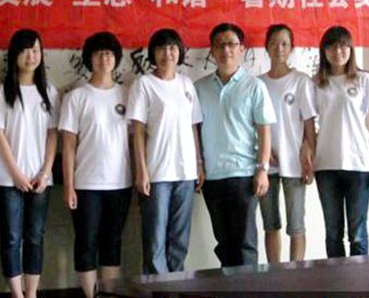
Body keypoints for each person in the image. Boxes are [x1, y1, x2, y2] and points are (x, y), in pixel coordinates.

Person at [194, 22, 277, 267]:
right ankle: (228, 286)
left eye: (231, 44)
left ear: (242, 49)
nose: (225, 50)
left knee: (245, 243)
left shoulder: (254, 86)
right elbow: (194, 131)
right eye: (220, 45)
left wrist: (262, 169)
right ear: (211, 50)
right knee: (224, 244)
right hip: (212, 176)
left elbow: (264, 130)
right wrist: (199, 165)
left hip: (244, 175)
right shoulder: (199, 87)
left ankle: (248, 287)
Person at [0, 29, 59, 298]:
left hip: (41, 179)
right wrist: (16, 174)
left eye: (36, 50)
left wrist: (46, 171)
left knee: (35, 236)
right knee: (11, 238)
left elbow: (53, 135)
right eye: (26, 50)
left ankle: (32, 292)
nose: (31, 56)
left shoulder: (49, 92)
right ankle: (17, 294)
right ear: (14, 54)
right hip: (8, 179)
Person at [59, 32, 132, 298]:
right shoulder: (76, 97)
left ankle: (109, 294)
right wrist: (69, 186)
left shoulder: (127, 94)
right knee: (86, 242)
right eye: (99, 53)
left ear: (117, 59)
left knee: (112, 243)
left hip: (120, 183)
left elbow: (135, 141)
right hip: (86, 183)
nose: (104, 59)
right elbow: (68, 146)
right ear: (89, 58)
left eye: (109, 54)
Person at [126, 28, 203, 274]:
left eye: (172, 48)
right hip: (157, 173)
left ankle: (177, 284)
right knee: (155, 237)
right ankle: (156, 287)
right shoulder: (143, 84)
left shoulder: (186, 84)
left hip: (185, 172)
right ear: (153, 53)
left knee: (180, 238)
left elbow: (193, 126)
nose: (167, 53)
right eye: (161, 48)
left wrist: (199, 164)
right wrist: (141, 171)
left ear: (179, 52)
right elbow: (138, 131)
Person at [313, 25, 369, 258]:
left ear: (351, 49)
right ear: (324, 51)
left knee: (358, 233)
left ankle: (359, 279)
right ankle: (336, 279)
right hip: (326, 166)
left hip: (359, 165)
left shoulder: (364, 80)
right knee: (333, 233)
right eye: (332, 46)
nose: (338, 51)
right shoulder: (316, 83)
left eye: (343, 46)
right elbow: (308, 125)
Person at [258, 24, 317, 263]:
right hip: (266, 164)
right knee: (270, 223)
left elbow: (310, 123)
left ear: (291, 48)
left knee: (296, 225)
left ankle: (296, 276)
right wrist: (262, 153)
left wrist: (310, 156)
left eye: (284, 43)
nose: (279, 48)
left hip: (295, 162)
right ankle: (275, 274)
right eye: (274, 43)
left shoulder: (301, 81)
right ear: (266, 47)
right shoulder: (258, 83)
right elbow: (253, 125)